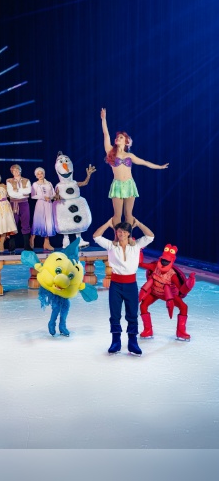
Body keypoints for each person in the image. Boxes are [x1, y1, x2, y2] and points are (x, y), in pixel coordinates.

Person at [92, 217, 155, 356]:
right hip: (116, 285)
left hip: (131, 285)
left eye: (124, 232)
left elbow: (150, 236)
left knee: (132, 314)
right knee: (115, 314)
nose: (121, 234)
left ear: (128, 233)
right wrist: (108, 224)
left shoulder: (136, 246)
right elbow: (96, 236)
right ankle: (116, 341)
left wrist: (139, 223)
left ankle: (133, 342)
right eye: (119, 231)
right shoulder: (111, 246)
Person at [101, 108, 168, 227]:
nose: (118, 138)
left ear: (126, 141)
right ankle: (117, 236)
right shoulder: (110, 151)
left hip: (129, 184)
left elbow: (145, 162)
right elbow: (106, 134)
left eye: (121, 137)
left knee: (128, 214)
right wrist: (103, 119)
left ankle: (128, 235)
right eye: (117, 137)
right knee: (117, 215)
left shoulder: (130, 156)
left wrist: (160, 167)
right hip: (117, 185)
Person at [6, 164, 32, 253]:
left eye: (17, 170)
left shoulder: (26, 180)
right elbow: (11, 193)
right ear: (12, 172)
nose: (16, 172)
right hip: (13, 203)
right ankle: (12, 246)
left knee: (26, 223)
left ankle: (27, 246)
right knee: (13, 223)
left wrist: (18, 190)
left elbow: (28, 191)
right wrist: (21, 193)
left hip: (24, 203)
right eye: (14, 170)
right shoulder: (9, 181)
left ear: (20, 170)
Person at [30, 167, 55, 251]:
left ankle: (46, 243)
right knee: (38, 221)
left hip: (48, 204)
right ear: (36, 175)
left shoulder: (49, 183)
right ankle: (32, 239)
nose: (40, 175)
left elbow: (53, 193)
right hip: (40, 204)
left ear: (44, 174)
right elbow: (33, 196)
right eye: (38, 174)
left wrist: (50, 197)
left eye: (41, 173)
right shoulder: (35, 184)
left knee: (48, 222)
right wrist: (43, 197)